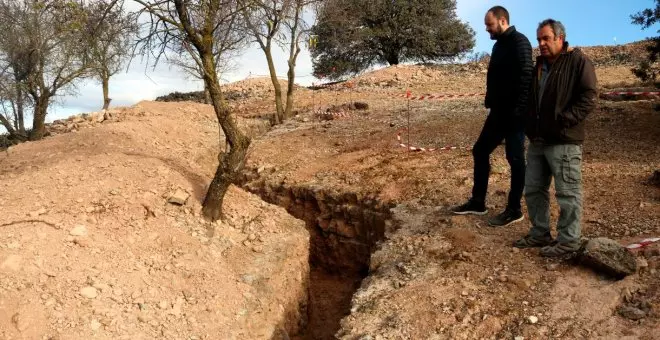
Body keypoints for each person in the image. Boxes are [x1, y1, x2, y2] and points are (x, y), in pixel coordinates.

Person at [513, 19, 597, 257]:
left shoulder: (578, 61)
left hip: (564, 141)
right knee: (533, 189)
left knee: (568, 192)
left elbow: (590, 95)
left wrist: (566, 120)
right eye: (539, 39)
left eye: (546, 38)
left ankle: (569, 241)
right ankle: (539, 233)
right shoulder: (538, 65)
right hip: (538, 140)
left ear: (560, 38)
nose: (541, 43)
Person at [452, 6, 533, 227]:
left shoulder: (520, 42)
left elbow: (527, 75)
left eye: (490, 24)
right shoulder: (498, 46)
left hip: (515, 115)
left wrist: (519, 111)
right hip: (498, 113)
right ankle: (478, 202)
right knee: (480, 150)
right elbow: (496, 76)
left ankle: (514, 209)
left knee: (515, 159)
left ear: (502, 21)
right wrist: (490, 98)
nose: (487, 29)